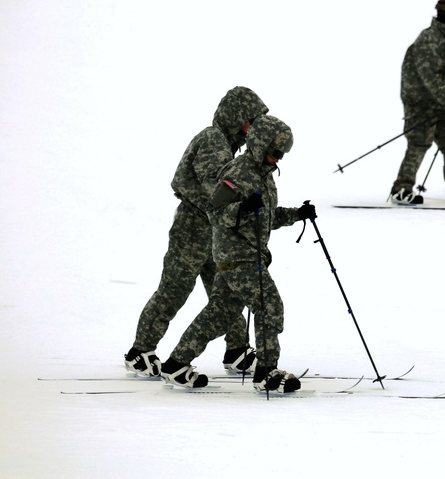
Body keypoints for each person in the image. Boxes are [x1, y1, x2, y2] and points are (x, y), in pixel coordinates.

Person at [160, 114, 315, 393]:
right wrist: (243, 208)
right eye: (276, 152)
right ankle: (266, 373)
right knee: (269, 305)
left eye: (283, 154)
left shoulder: (265, 177)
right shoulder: (237, 172)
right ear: (260, 144)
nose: (279, 158)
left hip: (246, 255)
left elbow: (264, 217)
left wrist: (297, 215)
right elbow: (215, 211)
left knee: (220, 313)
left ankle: (175, 364)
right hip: (236, 256)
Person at [123, 87, 269, 378]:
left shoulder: (227, 145)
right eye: (251, 121)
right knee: (174, 290)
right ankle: (140, 351)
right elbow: (214, 187)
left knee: (226, 291)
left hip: (215, 230)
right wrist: (243, 202)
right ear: (237, 118)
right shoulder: (214, 140)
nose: (253, 128)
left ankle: (237, 350)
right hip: (193, 229)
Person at [389, 0, 445, 205]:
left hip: (437, 104)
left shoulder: (442, 39)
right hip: (420, 104)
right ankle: (401, 190)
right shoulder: (429, 39)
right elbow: (429, 76)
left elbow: (443, 69)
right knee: (419, 144)